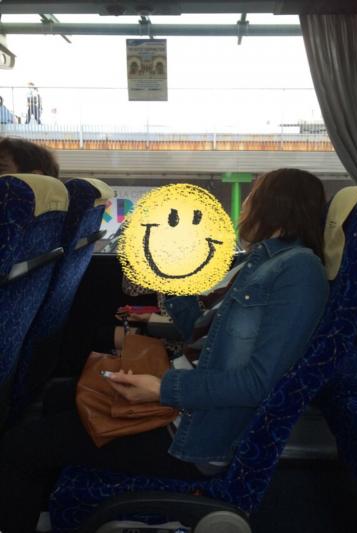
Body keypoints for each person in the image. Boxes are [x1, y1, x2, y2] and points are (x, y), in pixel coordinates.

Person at [0, 168, 329, 533]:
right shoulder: (258, 262)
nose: (245, 207)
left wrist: (160, 388)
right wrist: (169, 276)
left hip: (194, 435)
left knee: (19, 447)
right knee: (60, 395)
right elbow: (202, 333)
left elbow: (256, 384)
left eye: (252, 196)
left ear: (275, 204)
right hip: (184, 405)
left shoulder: (298, 272)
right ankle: (44, 510)